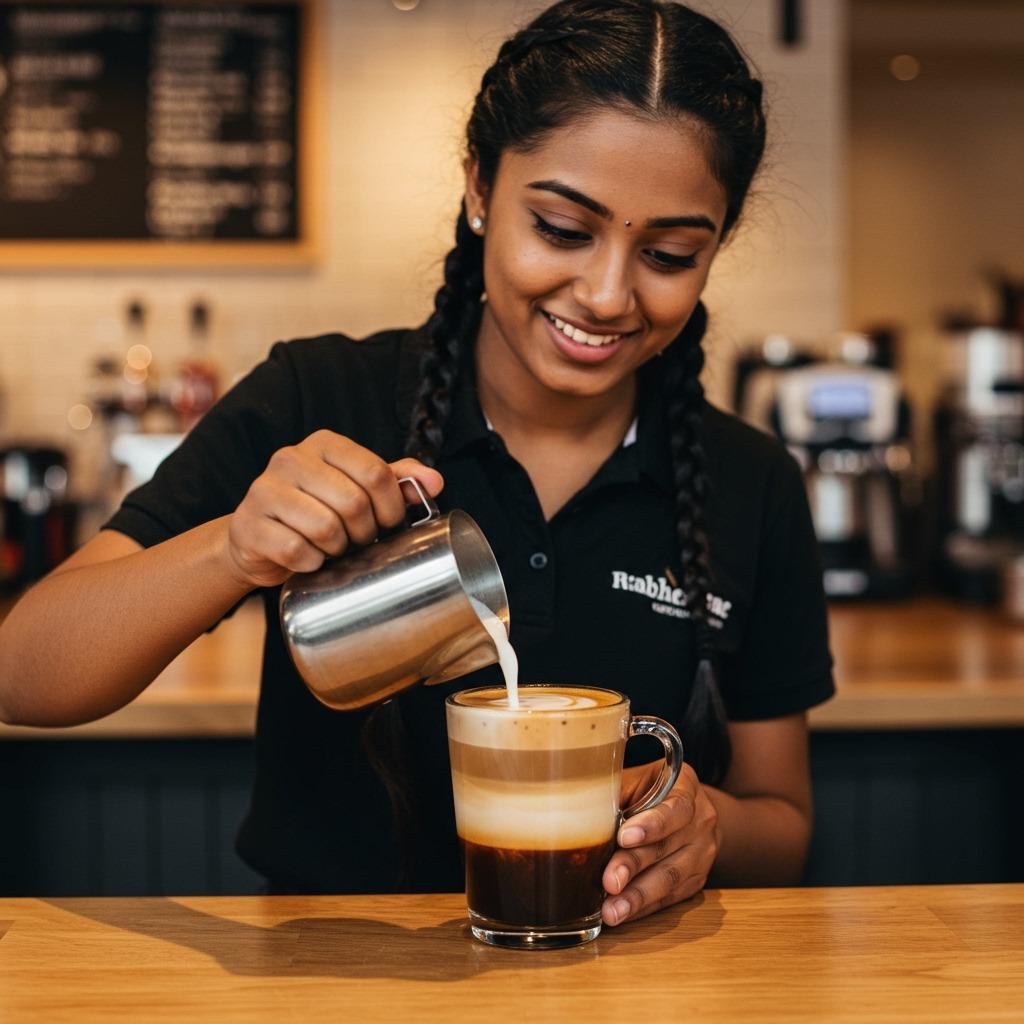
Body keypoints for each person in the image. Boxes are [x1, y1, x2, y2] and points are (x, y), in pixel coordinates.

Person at [0, 0, 833, 926]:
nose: (606, 294)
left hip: (624, 991)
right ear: (479, 186)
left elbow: (784, 819)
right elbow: (22, 674)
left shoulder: (749, 479)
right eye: (561, 228)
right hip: (328, 984)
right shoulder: (317, 396)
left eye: (670, 253)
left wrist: (703, 823)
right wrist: (234, 551)